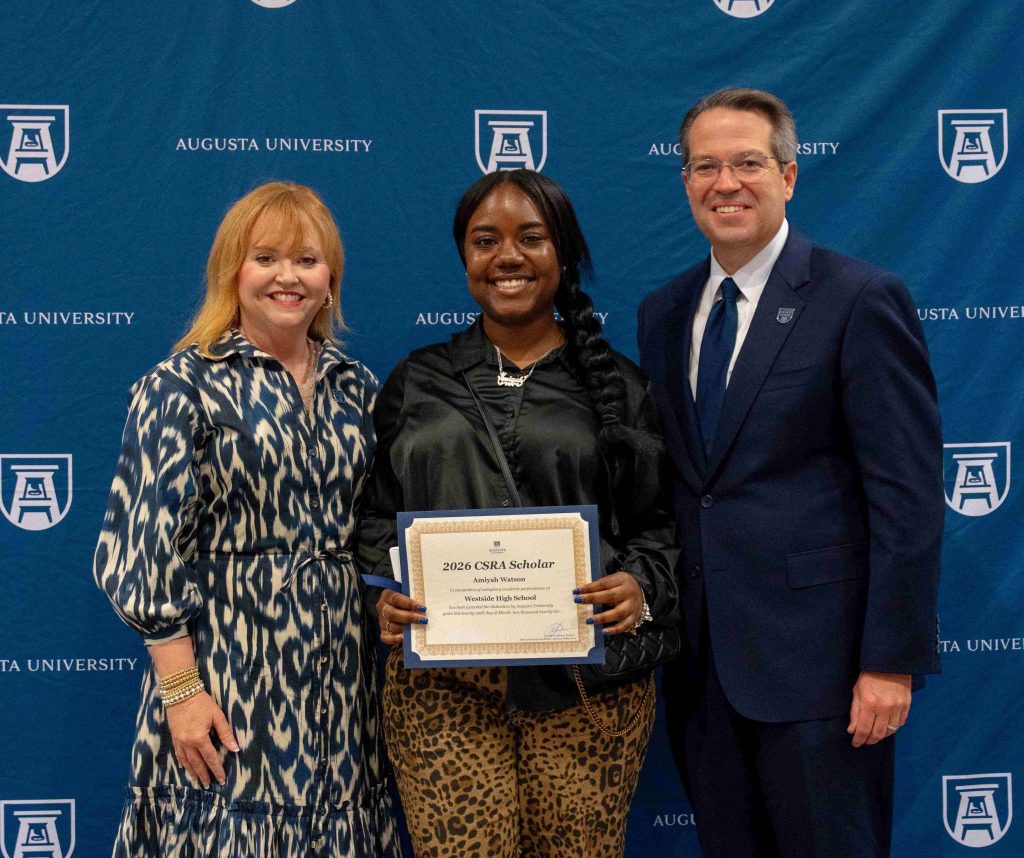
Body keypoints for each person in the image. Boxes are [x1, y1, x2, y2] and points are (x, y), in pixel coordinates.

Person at [637, 87, 943, 858]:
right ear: (684, 183)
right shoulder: (664, 312)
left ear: (790, 177)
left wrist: (888, 662)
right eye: (705, 167)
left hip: (824, 675)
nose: (725, 183)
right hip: (704, 671)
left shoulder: (859, 298)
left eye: (747, 163)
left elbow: (905, 497)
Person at [356, 169, 678, 858]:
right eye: (485, 240)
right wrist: (385, 596)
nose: (507, 256)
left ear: (563, 254)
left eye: (531, 238)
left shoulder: (619, 386)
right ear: (464, 258)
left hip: (589, 689)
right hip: (442, 687)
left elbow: (662, 525)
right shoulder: (416, 381)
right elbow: (375, 519)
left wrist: (642, 586)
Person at [94, 182, 402, 856]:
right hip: (228, 671)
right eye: (266, 257)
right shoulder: (179, 385)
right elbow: (141, 551)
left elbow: (383, 526)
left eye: (307, 261)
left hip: (341, 680)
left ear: (331, 280)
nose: (288, 277)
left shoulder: (359, 387)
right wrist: (181, 692)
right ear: (233, 270)